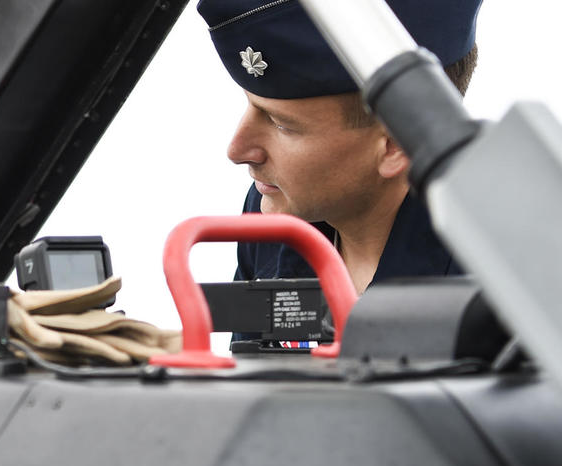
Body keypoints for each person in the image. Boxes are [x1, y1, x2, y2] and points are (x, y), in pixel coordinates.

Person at [197, 0, 483, 301]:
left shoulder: (498, 284)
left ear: (396, 144)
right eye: (251, 106)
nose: (237, 149)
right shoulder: (275, 215)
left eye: (283, 125)